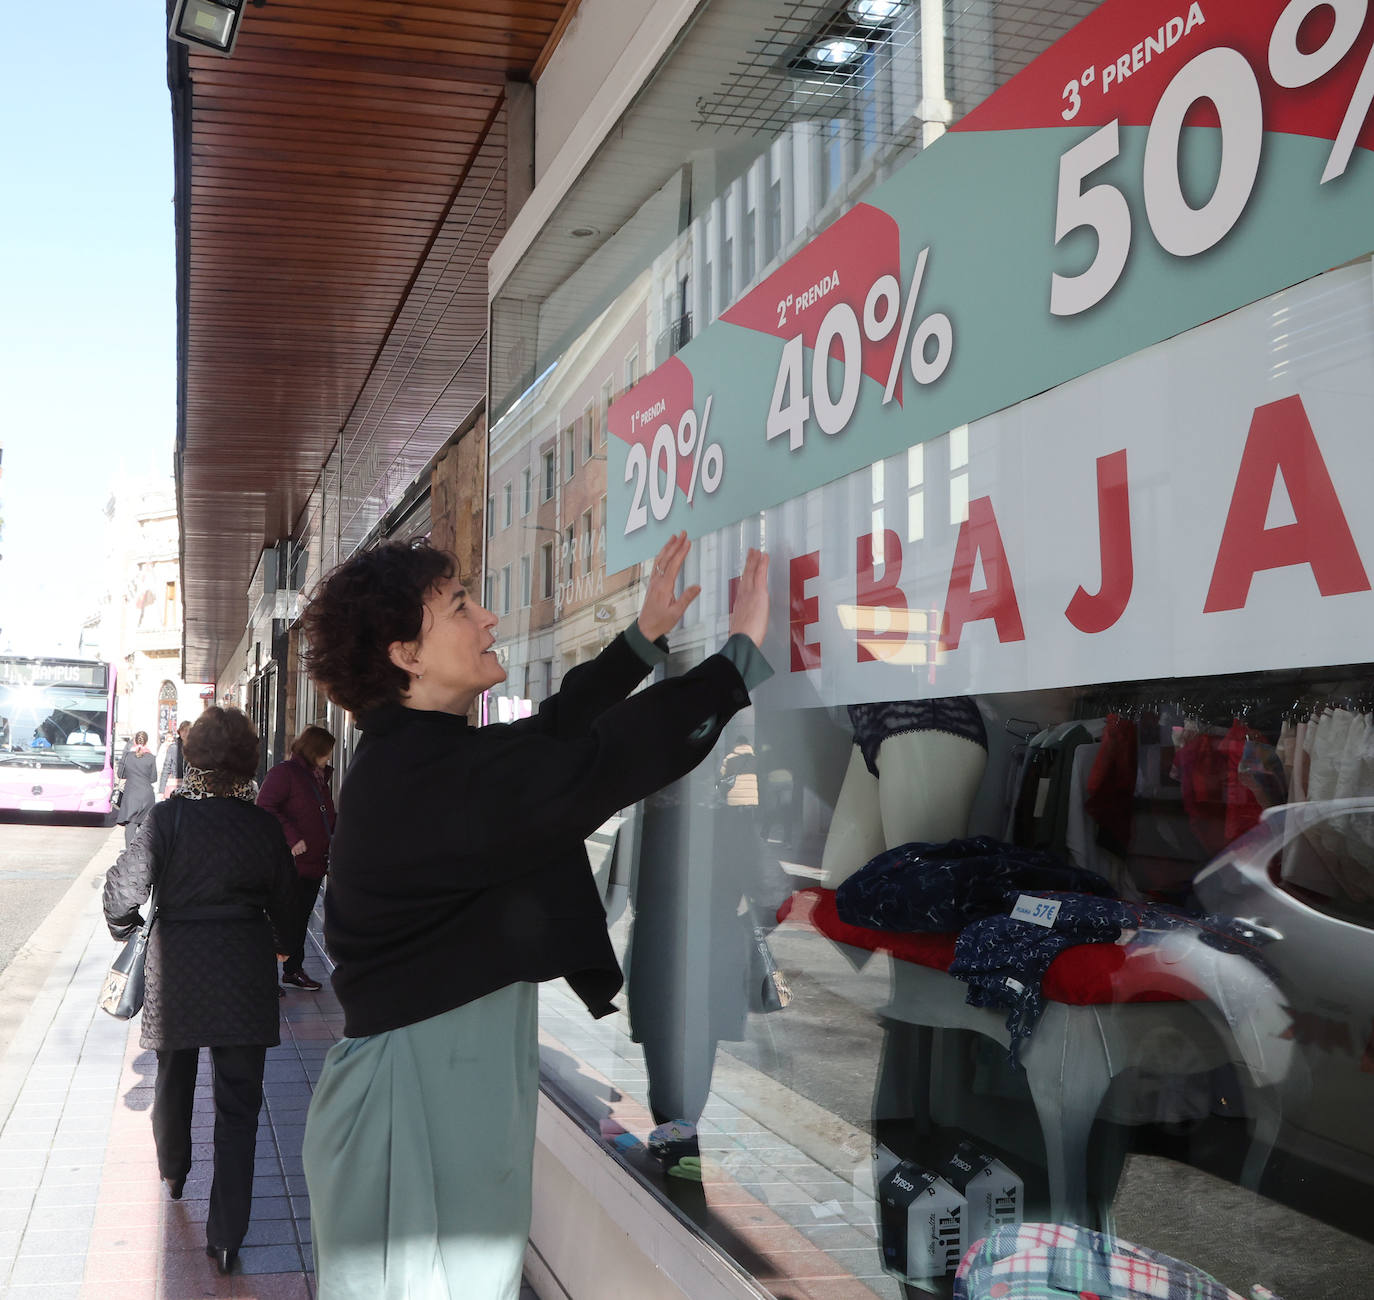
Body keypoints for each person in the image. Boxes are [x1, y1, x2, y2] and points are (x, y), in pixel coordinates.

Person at [298, 532, 771, 1299]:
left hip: (436, 1082)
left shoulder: (422, 758)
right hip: (411, 1103)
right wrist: (736, 664)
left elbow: (546, 734)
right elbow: (592, 761)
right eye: (460, 606)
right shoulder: (424, 782)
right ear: (405, 655)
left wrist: (640, 642)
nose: (488, 619)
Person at [102, 707, 295, 1277]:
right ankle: (229, 1234)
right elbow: (288, 906)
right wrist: (280, 946)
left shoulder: (167, 819)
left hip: (176, 965)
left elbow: (121, 893)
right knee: (240, 1105)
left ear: (192, 756)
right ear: (246, 762)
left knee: (172, 1075)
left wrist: (129, 931)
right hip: (242, 970)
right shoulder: (261, 825)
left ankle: (174, 1169)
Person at [256, 724, 337, 992]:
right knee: (281, 921)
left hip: (314, 863)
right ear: (315, 750)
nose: (329, 758)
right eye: (326, 753)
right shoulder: (285, 774)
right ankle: (266, 975)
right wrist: (292, 838)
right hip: (292, 865)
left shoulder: (318, 777)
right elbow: (265, 806)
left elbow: (325, 815)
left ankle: (293, 970)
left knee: (300, 920)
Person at [117, 731, 159, 848]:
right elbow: (153, 778)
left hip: (131, 795)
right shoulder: (151, 757)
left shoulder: (127, 757)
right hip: (147, 795)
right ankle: (143, 853)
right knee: (145, 827)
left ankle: (129, 853)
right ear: (146, 741)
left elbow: (120, 774)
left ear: (135, 741)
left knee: (130, 827)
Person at [161, 719, 192, 798]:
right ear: (179, 732)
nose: (185, 733)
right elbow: (166, 768)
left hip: (190, 786)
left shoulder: (195, 748)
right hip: (176, 784)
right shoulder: (173, 748)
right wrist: (161, 790)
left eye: (188, 730)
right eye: (183, 730)